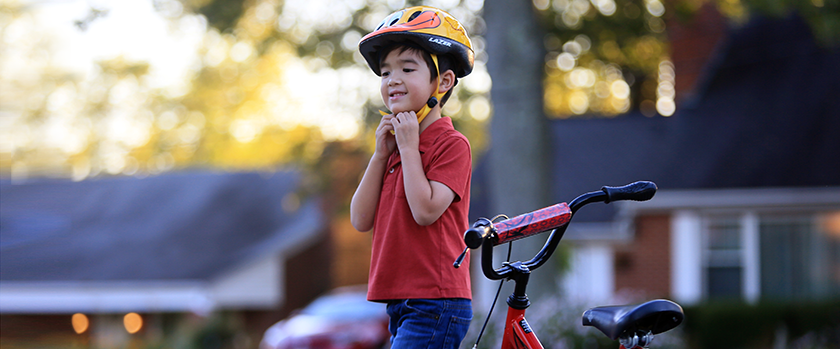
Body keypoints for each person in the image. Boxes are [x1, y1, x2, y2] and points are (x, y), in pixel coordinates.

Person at [350, 6, 475, 349]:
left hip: (435, 300)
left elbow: (425, 211)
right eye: (385, 71)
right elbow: (360, 219)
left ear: (444, 81)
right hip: (401, 302)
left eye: (407, 68)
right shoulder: (393, 148)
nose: (392, 79)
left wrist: (408, 149)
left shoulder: (452, 144)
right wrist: (380, 154)